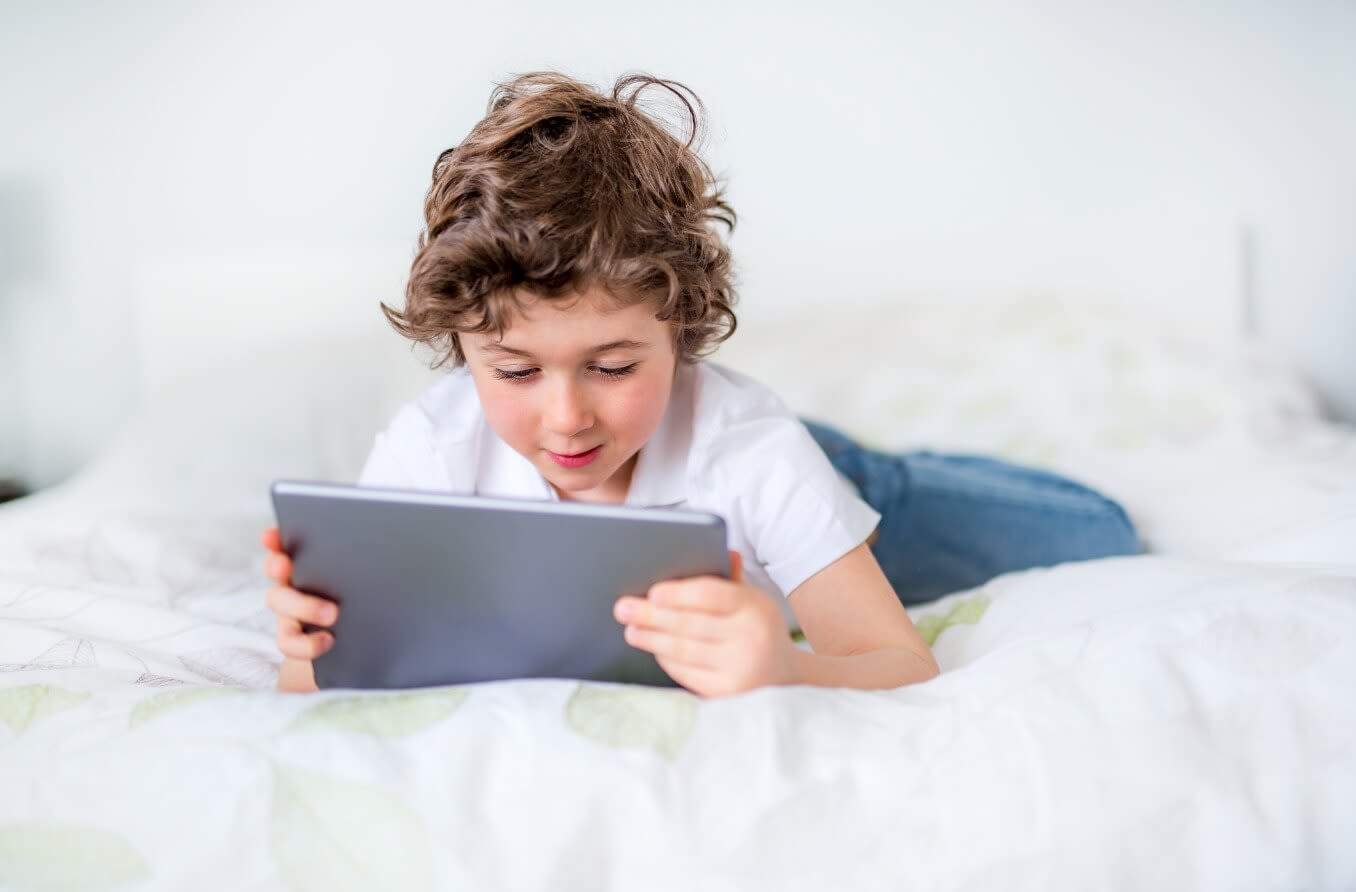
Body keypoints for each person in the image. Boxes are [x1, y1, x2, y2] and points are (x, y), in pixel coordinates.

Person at [261, 71, 1138, 697]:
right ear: (464, 346)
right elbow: (312, 681)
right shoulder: (430, 448)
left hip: (818, 479)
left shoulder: (751, 449)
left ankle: (860, 476)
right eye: (517, 371)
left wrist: (789, 667)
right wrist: (318, 641)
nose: (565, 418)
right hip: (737, 456)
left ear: (679, 330)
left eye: (612, 367)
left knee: (1104, 532)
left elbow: (898, 663)